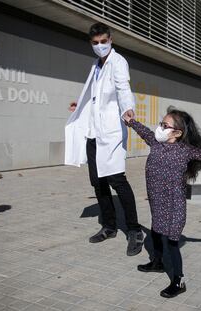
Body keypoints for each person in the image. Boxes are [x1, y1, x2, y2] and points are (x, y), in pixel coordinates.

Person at [124, 107, 201, 298]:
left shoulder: (186, 151)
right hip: (156, 201)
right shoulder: (155, 143)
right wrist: (131, 122)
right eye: (160, 124)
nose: (160, 128)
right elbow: (145, 132)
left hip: (174, 206)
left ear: (177, 132)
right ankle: (157, 262)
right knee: (156, 231)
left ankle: (178, 281)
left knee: (172, 241)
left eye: (165, 125)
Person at [65, 23, 143, 256]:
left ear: (111, 40)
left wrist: (128, 108)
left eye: (103, 41)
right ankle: (109, 227)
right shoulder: (96, 64)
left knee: (117, 180)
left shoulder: (118, 62)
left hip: (111, 132)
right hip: (93, 132)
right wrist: (81, 105)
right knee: (97, 182)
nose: (100, 46)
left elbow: (122, 88)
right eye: (95, 43)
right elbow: (96, 95)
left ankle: (135, 230)